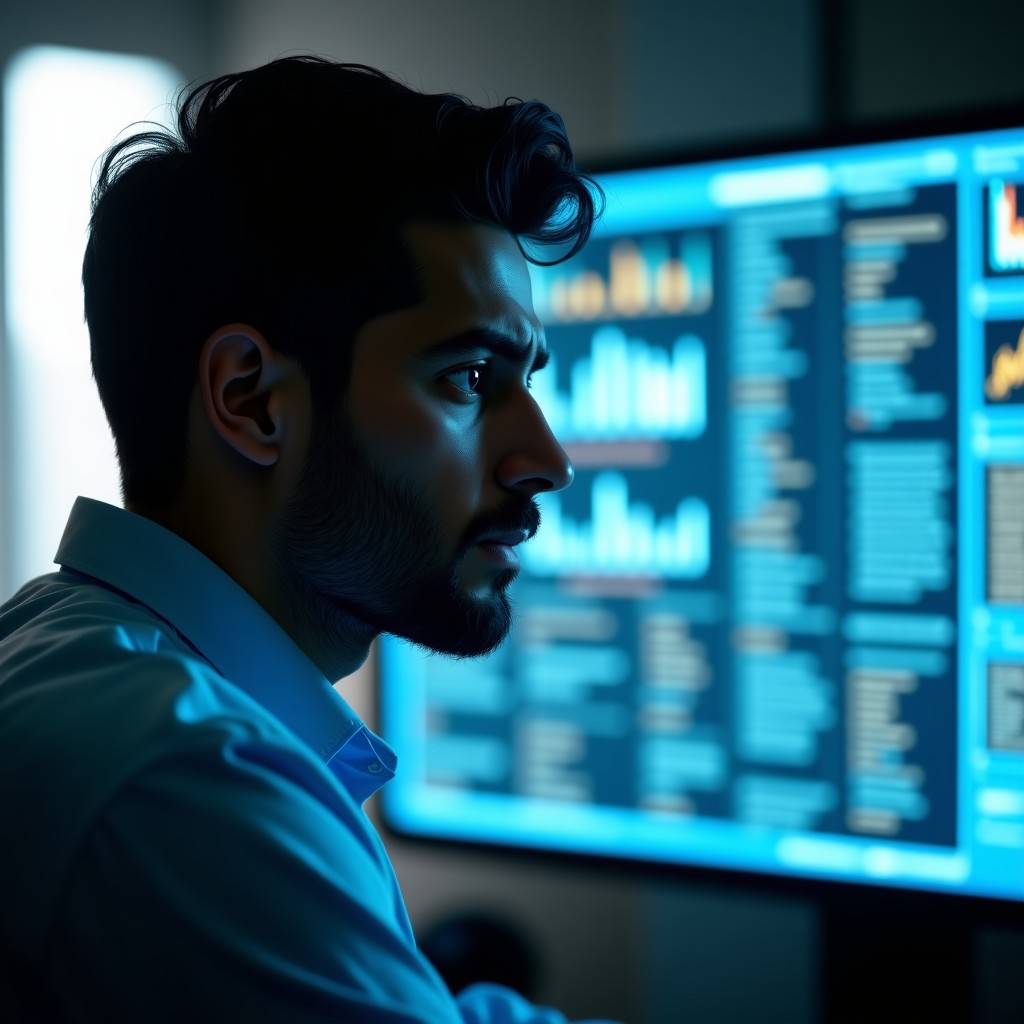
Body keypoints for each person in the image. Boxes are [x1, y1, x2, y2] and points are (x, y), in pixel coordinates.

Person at [0, 55, 616, 1022]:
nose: (546, 460)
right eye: (467, 378)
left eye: (526, 380)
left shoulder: (69, 650)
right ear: (251, 401)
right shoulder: (189, 784)